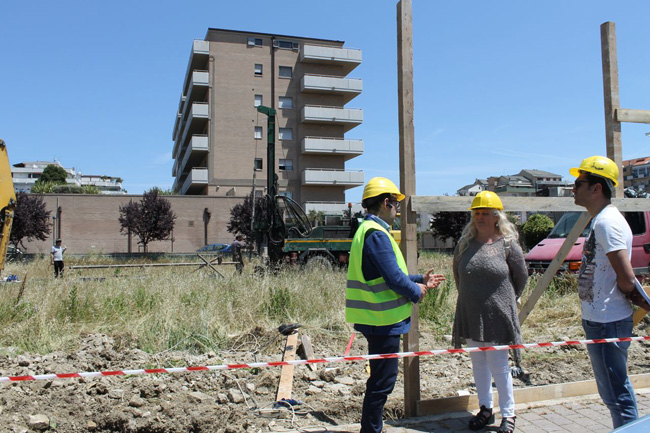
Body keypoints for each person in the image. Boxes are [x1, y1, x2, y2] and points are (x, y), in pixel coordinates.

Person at [345, 177, 446, 433]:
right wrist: (416, 290)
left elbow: (388, 274)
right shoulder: (376, 234)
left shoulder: (370, 231)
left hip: (380, 321)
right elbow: (392, 279)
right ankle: (371, 430)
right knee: (382, 383)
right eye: (395, 204)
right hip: (382, 322)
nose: (397, 209)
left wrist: (419, 279)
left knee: (380, 381)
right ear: (386, 202)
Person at [570, 155, 648, 428]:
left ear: (596, 188)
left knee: (616, 394)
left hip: (608, 322)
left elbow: (626, 277)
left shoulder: (606, 223)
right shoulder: (603, 220)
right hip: (604, 320)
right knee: (614, 392)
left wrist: (630, 295)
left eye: (579, 182)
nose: (573, 188)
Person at [452, 191, 527, 433]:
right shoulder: (465, 244)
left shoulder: (507, 245)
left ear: (496, 216)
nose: (480, 217)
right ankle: (485, 408)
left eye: (486, 213)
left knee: (499, 366)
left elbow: (521, 277)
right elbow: (458, 276)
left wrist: (506, 299)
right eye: (477, 213)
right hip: (471, 313)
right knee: (479, 364)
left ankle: (508, 414)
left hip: (498, 315)